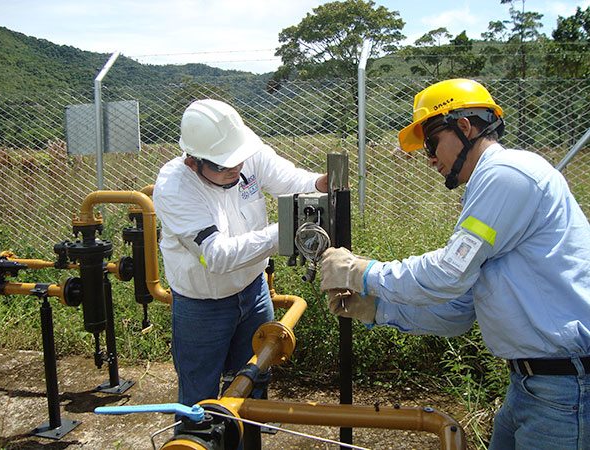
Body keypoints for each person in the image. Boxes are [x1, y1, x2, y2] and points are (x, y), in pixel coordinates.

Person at [320, 78, 590, 449]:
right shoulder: (492, 185)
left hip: (564, 388)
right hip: (535, 384)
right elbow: (460, 310)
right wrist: (377, 308)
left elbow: (448, 272)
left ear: (465, 127)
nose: (430, 157)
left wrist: (362, 272)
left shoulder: (507, 175)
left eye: (431, 142)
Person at [153, 99, 327, 424]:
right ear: (193, 161)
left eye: (238, 161)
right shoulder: (175, 186)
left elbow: (295, 182)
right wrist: (284, 232)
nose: (235, 169)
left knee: (255, 378)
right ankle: (197, 441)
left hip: (254, 291)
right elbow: (216, 255)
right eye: (222, 166)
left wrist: (323, 182)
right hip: (203, 305)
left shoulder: (246, 153)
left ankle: (248, 437)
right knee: (199, 397)